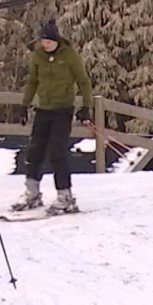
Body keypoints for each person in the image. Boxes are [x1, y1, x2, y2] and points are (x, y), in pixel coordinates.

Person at [11, 18, 93, 215]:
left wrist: (86, 107)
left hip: (63, 110)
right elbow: (32, 81)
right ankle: (32, 193)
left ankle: (65, 196)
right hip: (43, 109)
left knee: (57, 153)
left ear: (56, 41)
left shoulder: (69, 55)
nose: (44, 45)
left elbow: (84, 81)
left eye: (48, 42)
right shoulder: (38, 55)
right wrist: (24, 105)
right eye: (42, 42)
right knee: (34, 151)